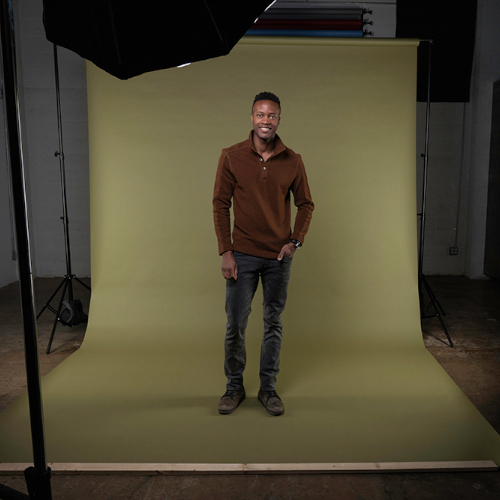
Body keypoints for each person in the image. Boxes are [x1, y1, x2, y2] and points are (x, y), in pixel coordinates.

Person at [212, 92, 314, 416]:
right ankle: (234, 387)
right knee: (235, 324)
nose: (265, 121)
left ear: (279, 119)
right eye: (260, 114)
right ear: (252, 118)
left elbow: (306, 204)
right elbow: (220, 204)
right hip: (241, 254)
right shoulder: (231, 156)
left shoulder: (293, 160)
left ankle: (268, 390)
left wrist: (295, 242)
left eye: (271, 115)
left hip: (278, 258)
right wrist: (226, 251)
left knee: (273, 323)